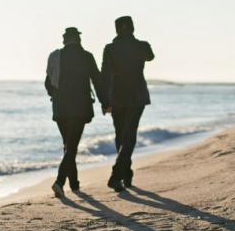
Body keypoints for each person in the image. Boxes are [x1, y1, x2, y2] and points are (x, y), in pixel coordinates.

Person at [45, 27, 108, 198]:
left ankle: (74, 184)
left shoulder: (55, 57)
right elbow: (98, 81)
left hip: (60, 108)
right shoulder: (86, 57)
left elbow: (48, 84)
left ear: (65, 40)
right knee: (71, 146)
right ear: (78, 39)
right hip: (79, 108)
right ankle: (59, 182)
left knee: (68, 145)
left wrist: (57, 96)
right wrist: (105, 103)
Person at [101, 16, 155, 192]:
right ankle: (119, 174)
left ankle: (125, 173)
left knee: (120, 135)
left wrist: (105, 101)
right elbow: (151, 57)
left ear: (117, 30)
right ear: (132, 28)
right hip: (136, 96)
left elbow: (105, 75)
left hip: (117, 96)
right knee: (129, 136)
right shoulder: (141, 46)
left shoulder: (110, 48)